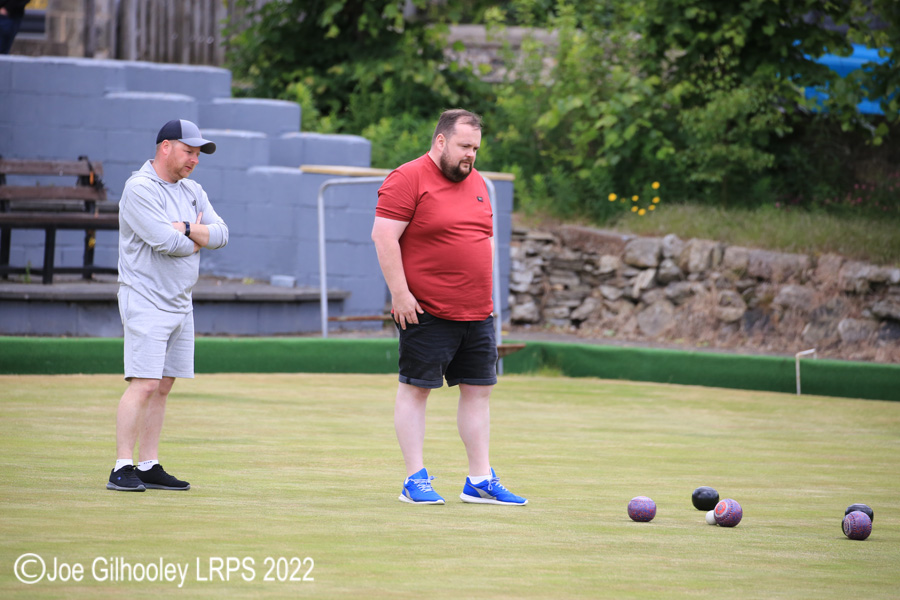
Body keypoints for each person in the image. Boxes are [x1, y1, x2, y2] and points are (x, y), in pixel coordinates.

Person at [372, 109, 527, 506]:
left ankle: (479, 480)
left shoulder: (478, 183)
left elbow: (482, 240)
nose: (470, 154)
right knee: (416, 391)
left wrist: (486, 300)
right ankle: (414, 480)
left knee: (478, 391)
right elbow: (384, 236)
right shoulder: (407, 177)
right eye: (464, 146)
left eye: (475, 148)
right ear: (440, 141)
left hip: (477, 311)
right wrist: (400, 294)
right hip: (425, 310)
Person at [107, 119, 229, 492]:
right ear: (165, 147)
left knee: (163, 385)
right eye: (188, 151)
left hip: (180, 302)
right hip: (145, 299)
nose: (194, 160)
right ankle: (121, 466)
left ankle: (148, 464)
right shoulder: (139, 188)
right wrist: (193, 236)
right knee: (144, 383)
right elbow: (167, 243)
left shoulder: (194, 190)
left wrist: (187, 228)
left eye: (198, 154)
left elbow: (222, 235)